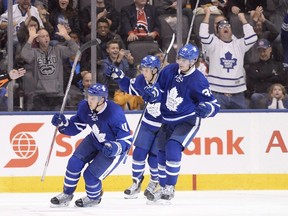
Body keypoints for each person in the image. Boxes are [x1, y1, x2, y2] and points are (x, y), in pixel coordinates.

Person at [141, 44, 220, 204]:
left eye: (185, 59)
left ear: (193, 61)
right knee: (161, 153)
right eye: (179, 58)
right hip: (168, 119)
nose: (181, 62)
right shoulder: (169, 70)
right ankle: (163, 188)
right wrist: (153, 93)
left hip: (187, 121)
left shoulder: (199, 80)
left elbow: (214, 105)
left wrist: (207, 109)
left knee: (173, 147)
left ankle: (170, 187)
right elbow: (159, 88)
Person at [50, 83, 133, 208]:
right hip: (94, 140)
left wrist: (115, 148)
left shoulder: (115, 113)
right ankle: (67, 194)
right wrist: (64, 123)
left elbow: (126, 139)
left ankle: (94, 198)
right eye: (89, 96)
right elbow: (76, 126)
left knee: (90, 175)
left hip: (111, 149)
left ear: (102, 100)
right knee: (74, 163)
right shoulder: (85, 107)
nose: (89, 100)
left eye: (93, 98)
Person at [106, 55, 162, 199]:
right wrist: (119, 76)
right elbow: (130, 86)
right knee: (138, 154)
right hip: (147, 124)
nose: (144, 72)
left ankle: (154, 182)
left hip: (163, 126)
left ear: (155, 70)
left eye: (147, 69)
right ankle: (136, 183)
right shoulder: (142, 80)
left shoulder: (164, 81)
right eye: (143, 69)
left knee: (154, 158)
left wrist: (159, 98)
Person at [199, 8, 258, 109]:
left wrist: (243, 20)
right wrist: (207, 15)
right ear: (217, 32)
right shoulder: (214, 44)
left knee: (241, 123)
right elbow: (203, 35)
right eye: (221, 26)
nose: (225, 27)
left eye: (227, 25)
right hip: (217, 94)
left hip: (237, 94)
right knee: (217, 123)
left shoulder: (239, 44)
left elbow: (252, 37)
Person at [20, 24, 78, 111]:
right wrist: (30, 38)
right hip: (40, 95)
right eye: (42, 36)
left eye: (47, 36)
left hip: (57, 94)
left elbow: (75, 50)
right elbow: (24, 55)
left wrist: (66, 36)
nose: (46, 38)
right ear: (37, 39)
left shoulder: (58, 50)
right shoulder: (35, 52)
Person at [246, 39, 287, 109]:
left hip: (276, 93)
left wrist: (262, 77)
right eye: (260, 51)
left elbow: (282, 79)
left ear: (270, 49)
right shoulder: (253, 66)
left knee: (286, 97)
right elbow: (253, 79)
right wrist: (273, 75)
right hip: (261, 93)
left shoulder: (278, 65)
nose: (262, 54)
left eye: (264, 50)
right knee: (255, 97)